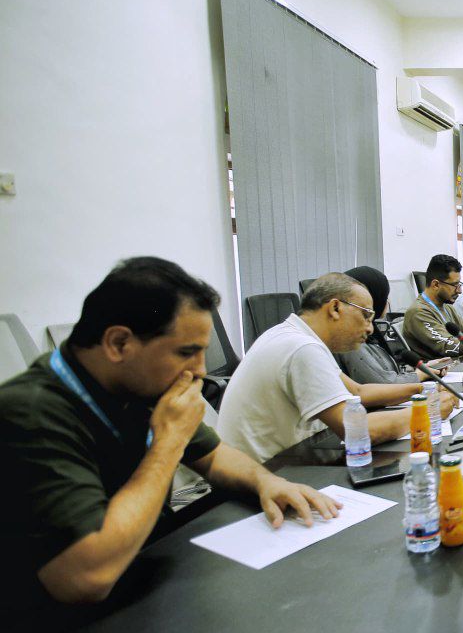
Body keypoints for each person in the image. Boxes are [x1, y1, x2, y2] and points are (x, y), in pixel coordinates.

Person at [0, 257, 341, 612]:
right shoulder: (30, 413)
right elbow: (87, 576)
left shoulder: (136, 383)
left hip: (145, 576)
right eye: (186, 352)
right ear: (118, 343)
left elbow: (214, 456)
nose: (200, 370)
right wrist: (168, 443)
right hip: (54, 626)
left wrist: (266, 482)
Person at [218, 274, 455, 462]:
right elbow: (358, 431)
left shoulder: (295, 335)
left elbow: (358, 392)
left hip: (289, 461)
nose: (370, 328)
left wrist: (422, 390)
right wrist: (428, 412)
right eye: (366, 316)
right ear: (335, 308)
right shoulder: (302, 347)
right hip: (266, 476)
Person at [335, 267, 450, 385]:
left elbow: (386, 371)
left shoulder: (371, 335)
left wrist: (423, 367)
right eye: (385, 296)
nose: (388, 301)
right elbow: (382, 384)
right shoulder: (351, 342)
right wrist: (420, 375)